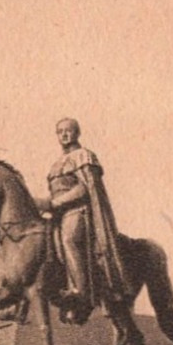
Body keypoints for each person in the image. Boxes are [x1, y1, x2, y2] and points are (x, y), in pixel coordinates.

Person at [45, 118, 127, 317]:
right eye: (60, 131)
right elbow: (55, 194)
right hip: (60, 214)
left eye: (68, 131)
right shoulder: (56, 164)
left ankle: (80, 291)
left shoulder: (84, 155)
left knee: (69, 240)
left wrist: (57, 202)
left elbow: (85, 188)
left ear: (77, 133)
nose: (64, 135)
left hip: (79, 211)